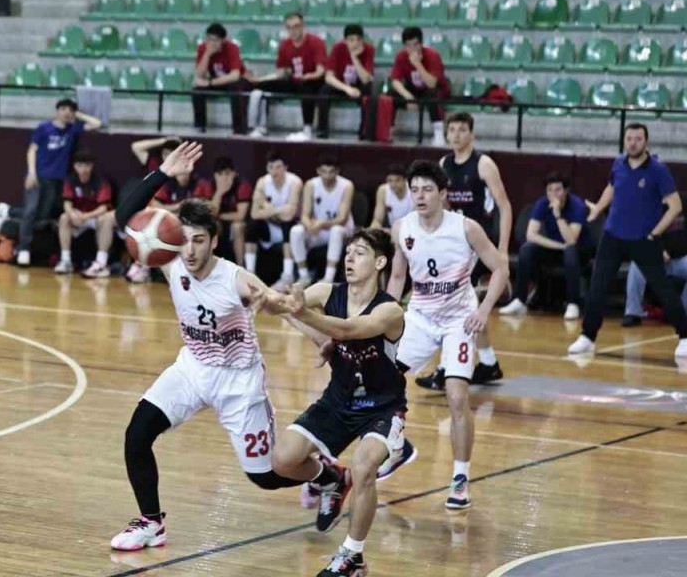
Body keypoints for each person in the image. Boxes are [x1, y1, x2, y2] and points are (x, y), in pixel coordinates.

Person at [108, 142, 305, 552]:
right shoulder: (171, 260)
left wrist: (290, 312)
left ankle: (328, 477)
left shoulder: (234, 279)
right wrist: (163, 173)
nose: (191, 250)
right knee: (136, 435)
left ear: (214, 242)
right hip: (193, 369)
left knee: (265, 476)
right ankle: (151, 523)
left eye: (199, 241)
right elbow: (124, 217)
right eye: (186, 240)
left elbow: (275, 302)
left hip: (238, 382)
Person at [271, 228, 415, 577]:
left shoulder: (390, 310)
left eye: (360, 253)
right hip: (338, 400)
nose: (350, 258)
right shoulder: (327, 292)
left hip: (382, 408)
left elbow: (348, 330)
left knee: (364, 468)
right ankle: (333, 479)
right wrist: (275, 302)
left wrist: (306, 316)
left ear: (380, 262)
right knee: (282, 460)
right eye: (348, 252)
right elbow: (287, 306)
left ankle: (353, 556)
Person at [389, 160, 508, 511]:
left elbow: (500, 268)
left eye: (427, 189)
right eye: (415, 190)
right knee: (383, 380)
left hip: (459, 321)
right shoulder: (402, 228)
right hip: (420, 318)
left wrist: (483, 310)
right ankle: (396, 446)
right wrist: (385, 316)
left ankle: (460, 477)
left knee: (456, 397)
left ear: (443, 193)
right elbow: (397, 277)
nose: (420, 196)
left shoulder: (466, 228)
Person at [570, 124, 687, 359]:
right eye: (629, 138)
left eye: (638, 139)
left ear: (646, 142)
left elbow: (675, 206)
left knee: (663, 289)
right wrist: (598, 209)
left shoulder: (658, 170)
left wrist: (655, 234)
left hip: (644, 240)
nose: (633, 143)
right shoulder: (618, 164)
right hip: (613, 236)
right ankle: (587, 337)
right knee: (597, 288)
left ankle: (685, 337)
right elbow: (611, 187)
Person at [415, 112, 510, 390]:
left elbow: (505, 206)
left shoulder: (483, 164)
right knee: (465, 305)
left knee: (452, 303)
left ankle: (447, 368)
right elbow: (442, 206)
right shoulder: (444, 164)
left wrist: (502, 250)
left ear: (472, 134)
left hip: (480, 242)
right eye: (452, 130)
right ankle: (489, 363)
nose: (456, 134)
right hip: (456, 244)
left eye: (462, 130)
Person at [8, 98, 102, 267]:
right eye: (63, 109)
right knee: (30, 211)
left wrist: (78, 115)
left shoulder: (72, 129)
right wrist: (31, 172)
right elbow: (32, 150)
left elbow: (97, 124)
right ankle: (24, 249)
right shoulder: (44, 128)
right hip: (38, 176)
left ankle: (9, 212)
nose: (66, 112)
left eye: (70, 110)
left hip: (56, 179)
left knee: (43, 215)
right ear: (57, 111)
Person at [500, 173, 591, 320]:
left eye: (558, 190)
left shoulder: (577, 205)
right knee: (527, 249)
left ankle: (573, 303)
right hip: (557, 247)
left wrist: (558, 215)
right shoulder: (542, 203)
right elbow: (531, 235)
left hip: (579, 251)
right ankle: (519, 300)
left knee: (570, 252)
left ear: (566, 190)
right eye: (549, 190)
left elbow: (571, 240)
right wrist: (558, 246)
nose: (553, 194)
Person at [248, 12, 328, 140]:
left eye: (296, 26)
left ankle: (307, 129)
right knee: (261, 87)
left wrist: (308, 76)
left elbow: (320, 71)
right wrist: (260, 79)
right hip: (294, 80)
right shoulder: (285, 45)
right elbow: (281, 72)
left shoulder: (316, 42)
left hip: (313, 80)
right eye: (289, 27)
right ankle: (260, 127)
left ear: (303, 26)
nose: (293, 31)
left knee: (307, 86)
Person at [290, 154, 355, 286]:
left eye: (331, 172)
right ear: (318, 171)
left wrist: (321, 224)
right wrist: (309, 226)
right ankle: (304, 276)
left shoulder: (347, 185)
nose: (327, 176)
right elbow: (305, 215)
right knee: (296, 231)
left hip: (341, 229)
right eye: (324, 171)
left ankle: (328, 278)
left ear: (337, 171)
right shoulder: (311, 185)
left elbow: (342, 219)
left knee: (336, 230)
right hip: (319, 230)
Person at [56, 150, 116, 278]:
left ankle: (101, 263)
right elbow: (67, 204)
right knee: (64, 217)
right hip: (78, 216)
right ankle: (66, 261)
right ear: (75, 166)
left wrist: (86, 216)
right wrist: (72, 214)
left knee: (105, 219)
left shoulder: (101, 181)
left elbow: (103, 208)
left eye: (87, 165)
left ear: (91, 166)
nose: (83, 169)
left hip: (95, 217)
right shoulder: (70, 180)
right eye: (80, 165)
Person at [387, 27, 449, 146]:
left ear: (421, 44)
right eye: (408, 46)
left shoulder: (433, 55)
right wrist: (409, 97)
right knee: (391, 94)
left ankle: (438, 132)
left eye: (415, 45)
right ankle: (389, 130)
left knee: (433, 94)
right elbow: (395, 81)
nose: (412, 49)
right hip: (414, 90)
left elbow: (431, 83)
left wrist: (417, 64)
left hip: (435, 89)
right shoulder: (401, 56)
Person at [248, 151, 303, 284]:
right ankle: (249, 271)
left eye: (278, 167)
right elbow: (254, 213)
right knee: (252, 225)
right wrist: (281, 209)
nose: (274, 171)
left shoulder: (295, 182)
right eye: (270, 167)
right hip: (270, 227)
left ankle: (287, 275)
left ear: (285, 167)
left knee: (287, 224)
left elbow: (290, 215)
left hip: (291, 228)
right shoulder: (262, 182)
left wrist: (268, 207)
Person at [623, 213, 687, 327]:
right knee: (637, 264)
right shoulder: (652, 208)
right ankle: (633, 312)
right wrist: (659, 250)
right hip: (657, 258)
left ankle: (681, 312)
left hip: (682, 257)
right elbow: (643, 236)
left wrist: (670, 251)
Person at [191, 23, 252, 135]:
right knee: (197, 90)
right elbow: (199, 74)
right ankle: (200, 126)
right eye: (209, 39)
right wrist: (207, 55)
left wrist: (210, 83)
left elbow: (235, 75)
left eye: (215, 40)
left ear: (223, 40)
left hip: (236, 81)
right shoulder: (203, 48)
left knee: (236, 89)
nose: (212, 43)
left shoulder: (232, 48)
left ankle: (239, 130)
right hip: (217, 80)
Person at [322, 24, 377, 141]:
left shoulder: (369, 49)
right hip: (342, 85)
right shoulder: (337, 48)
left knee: (368, 90)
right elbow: (329, 77)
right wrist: (347, 89)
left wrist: (354, 58)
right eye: (351, 40)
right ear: (345, 41)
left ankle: (364, 132)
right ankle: (322, 130)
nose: (355, 43)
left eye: (358, 40)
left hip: (359, 86)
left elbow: (366, 79)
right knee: (324, 90)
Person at [209, 156, 253, 269]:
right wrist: (219, 192)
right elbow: (211, 214)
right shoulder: (211, 186)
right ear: (215, 175)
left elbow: (240, 215)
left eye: (227, 173)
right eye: (220, 174)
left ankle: (241, 267)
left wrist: (219, 216)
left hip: (244, 225)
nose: (224, 178)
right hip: (221, 224)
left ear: (234, 174)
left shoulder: (242, 185)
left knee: (237, 226)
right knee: (208, 226)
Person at [369, 164, 413, 230]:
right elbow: (377, 220)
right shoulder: (383, 190)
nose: (393, 184)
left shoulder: (414, 191)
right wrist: (373, 230)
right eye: (390, 180)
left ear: (405, 180)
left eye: (397, 180)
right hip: (392, 229)